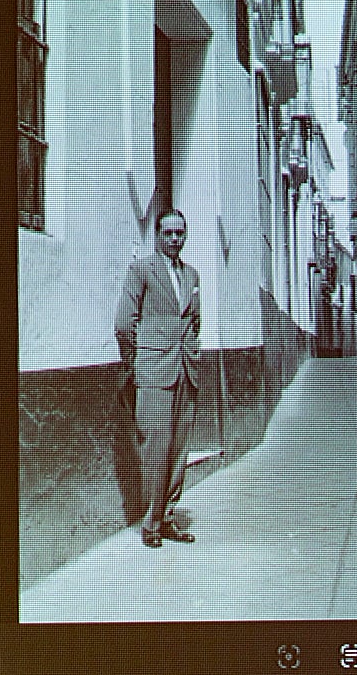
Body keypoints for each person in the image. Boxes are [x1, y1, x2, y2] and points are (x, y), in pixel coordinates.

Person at [115, 209, 201, 548]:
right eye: (168, 233)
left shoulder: (192, 275)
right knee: (156, 447)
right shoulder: (142, 270)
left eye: (180, 233)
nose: (175, 239)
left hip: (186, 370)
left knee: (179, 448)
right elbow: (124, 322)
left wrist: (193, 356)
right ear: (158, 235)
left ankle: (167, 516)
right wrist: (137, 362)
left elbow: (194, 324)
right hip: (153, 371)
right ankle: (150, 523)